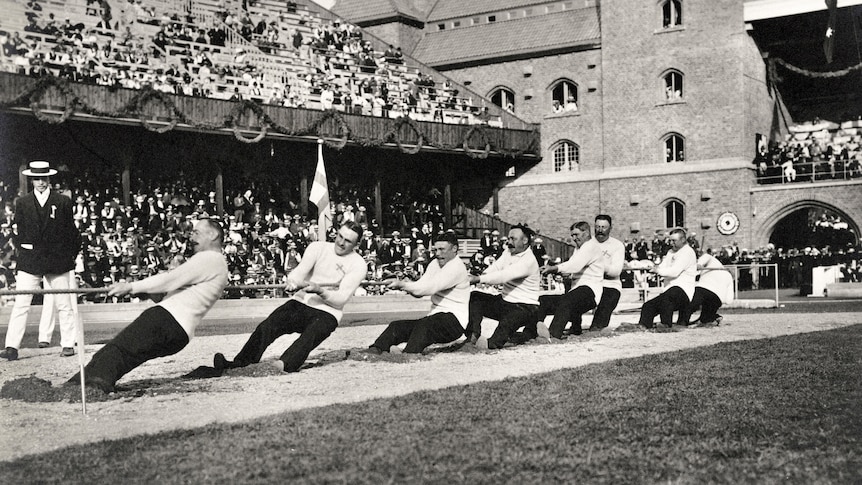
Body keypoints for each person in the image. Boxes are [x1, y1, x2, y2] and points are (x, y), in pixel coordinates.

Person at [67, 219, 228, 392]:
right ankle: (84, 386)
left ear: (213, 234)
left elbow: (169, 280)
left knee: (117, 350)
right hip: (179, 332)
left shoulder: (210, 258)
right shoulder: (217, 264)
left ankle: (81, 388)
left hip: (167, 320)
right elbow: (172, 291)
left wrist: (130, 287)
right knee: (125, 356)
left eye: (197, 232)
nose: (191, 237)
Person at [214, 222, 366, 373]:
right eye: (340, 236)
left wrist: (319, 290)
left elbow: (341, 298)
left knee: (309, 336)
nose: (340, 242)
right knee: (267, 326)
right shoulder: (318, 248)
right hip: (301, 301)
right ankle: (241, 362)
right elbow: (299, 272)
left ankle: (285, 365)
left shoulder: (359, 264)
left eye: (348, 241)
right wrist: (293, 281)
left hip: (329, 311)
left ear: (357, 244)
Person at [2, 161, 80, 361]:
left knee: (64, 304)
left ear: (49, 179)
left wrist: (69, 255)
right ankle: (11, 346)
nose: (41, 182)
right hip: (31, 260)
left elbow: (72, 232)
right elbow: (17, 232)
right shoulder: (23, 202)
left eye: (44, 178)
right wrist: (25, 248)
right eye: (37, 179)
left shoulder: (63, 201)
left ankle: (68, 344)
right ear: (32, 180)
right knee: (21, 303)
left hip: (57, 259)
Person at [367, 232, 469, 354]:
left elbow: (429, 288)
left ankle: (409, 354)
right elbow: (419, 291)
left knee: (425, 324)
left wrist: (403, 285)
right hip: (435, 318)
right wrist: (404, 284)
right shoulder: (435, 264)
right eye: (436, 250)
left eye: (442, 249)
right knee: (397, 326)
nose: (437, 254)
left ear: (454, 249)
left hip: (455, 323)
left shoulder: (456, 267)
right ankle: (374, 350)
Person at [464, 224, 540, 350]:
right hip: (505, 302)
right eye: (509, 238)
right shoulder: (508, 252)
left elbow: (504, 275)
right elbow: (496, 268)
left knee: (493, 343)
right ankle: (472, 336)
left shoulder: (529, 260)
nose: (509, 242)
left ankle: (529, 333)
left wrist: (478, 279)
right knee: (475, 297)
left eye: (513, 239)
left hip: (525, 308)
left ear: (525, 240)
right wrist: (483, 275)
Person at [540, 221, 606, 339]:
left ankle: (553, 335)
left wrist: (555, 268)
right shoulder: (579, 249)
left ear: (586, 233)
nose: (574, 238)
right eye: (572, 235)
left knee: (568, 300)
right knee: (544, 300)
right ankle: (530, 332)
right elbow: (574, 268)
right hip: (577, 290)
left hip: (591, 291)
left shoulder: (591, 246)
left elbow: (575, 265)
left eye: (576, 235)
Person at [636, 228, 697, 329]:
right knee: (648, 306)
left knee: (667, 299)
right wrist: (654, 268)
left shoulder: (687, 252)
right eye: (670, 240)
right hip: (670, 290)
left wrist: (658, 271)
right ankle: (644, 326)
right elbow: (662, 266)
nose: (671, 243)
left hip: (684, 290)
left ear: (682, 240)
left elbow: (674, 272)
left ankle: (666, 325)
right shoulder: (670, 252)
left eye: (674, 241)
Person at [678, 249, 734, 326]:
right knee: (705, 319)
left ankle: (681, 323)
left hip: (703, 289)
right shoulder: (729, 277)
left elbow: (707, 256)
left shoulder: (713, 261)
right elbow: (729, 300)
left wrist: (699, 264)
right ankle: (713, 317)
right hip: (717, 299)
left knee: (689, 305)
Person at [590, 214, 626, 330]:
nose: (600, 230)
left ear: (610, 228)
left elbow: (615, 271)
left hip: (609, 284)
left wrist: (595, 265)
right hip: (590, 283)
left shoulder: (617, 245)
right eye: (598, 227)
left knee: (607, 300)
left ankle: (597, 329)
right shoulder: (588, 243)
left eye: (604, 227)